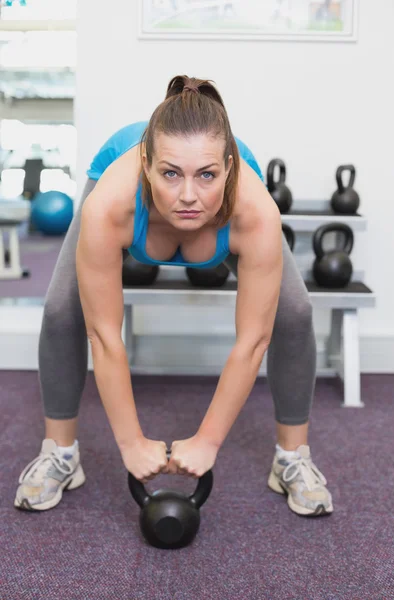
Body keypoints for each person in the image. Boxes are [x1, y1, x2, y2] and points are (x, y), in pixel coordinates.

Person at [14, 75, 333, 517]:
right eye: (169, 174)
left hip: (232, 200)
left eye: (207, 175)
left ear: (229, 167)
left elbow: (253, 341)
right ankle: (61, 453)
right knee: (64, 307)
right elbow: (105, 335)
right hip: (118, 181)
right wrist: (130, 442)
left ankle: (292, 458)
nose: (187, 196)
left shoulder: (255, 211)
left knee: (294, 312)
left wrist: (208, 440)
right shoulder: (109, 205)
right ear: (146, 164)